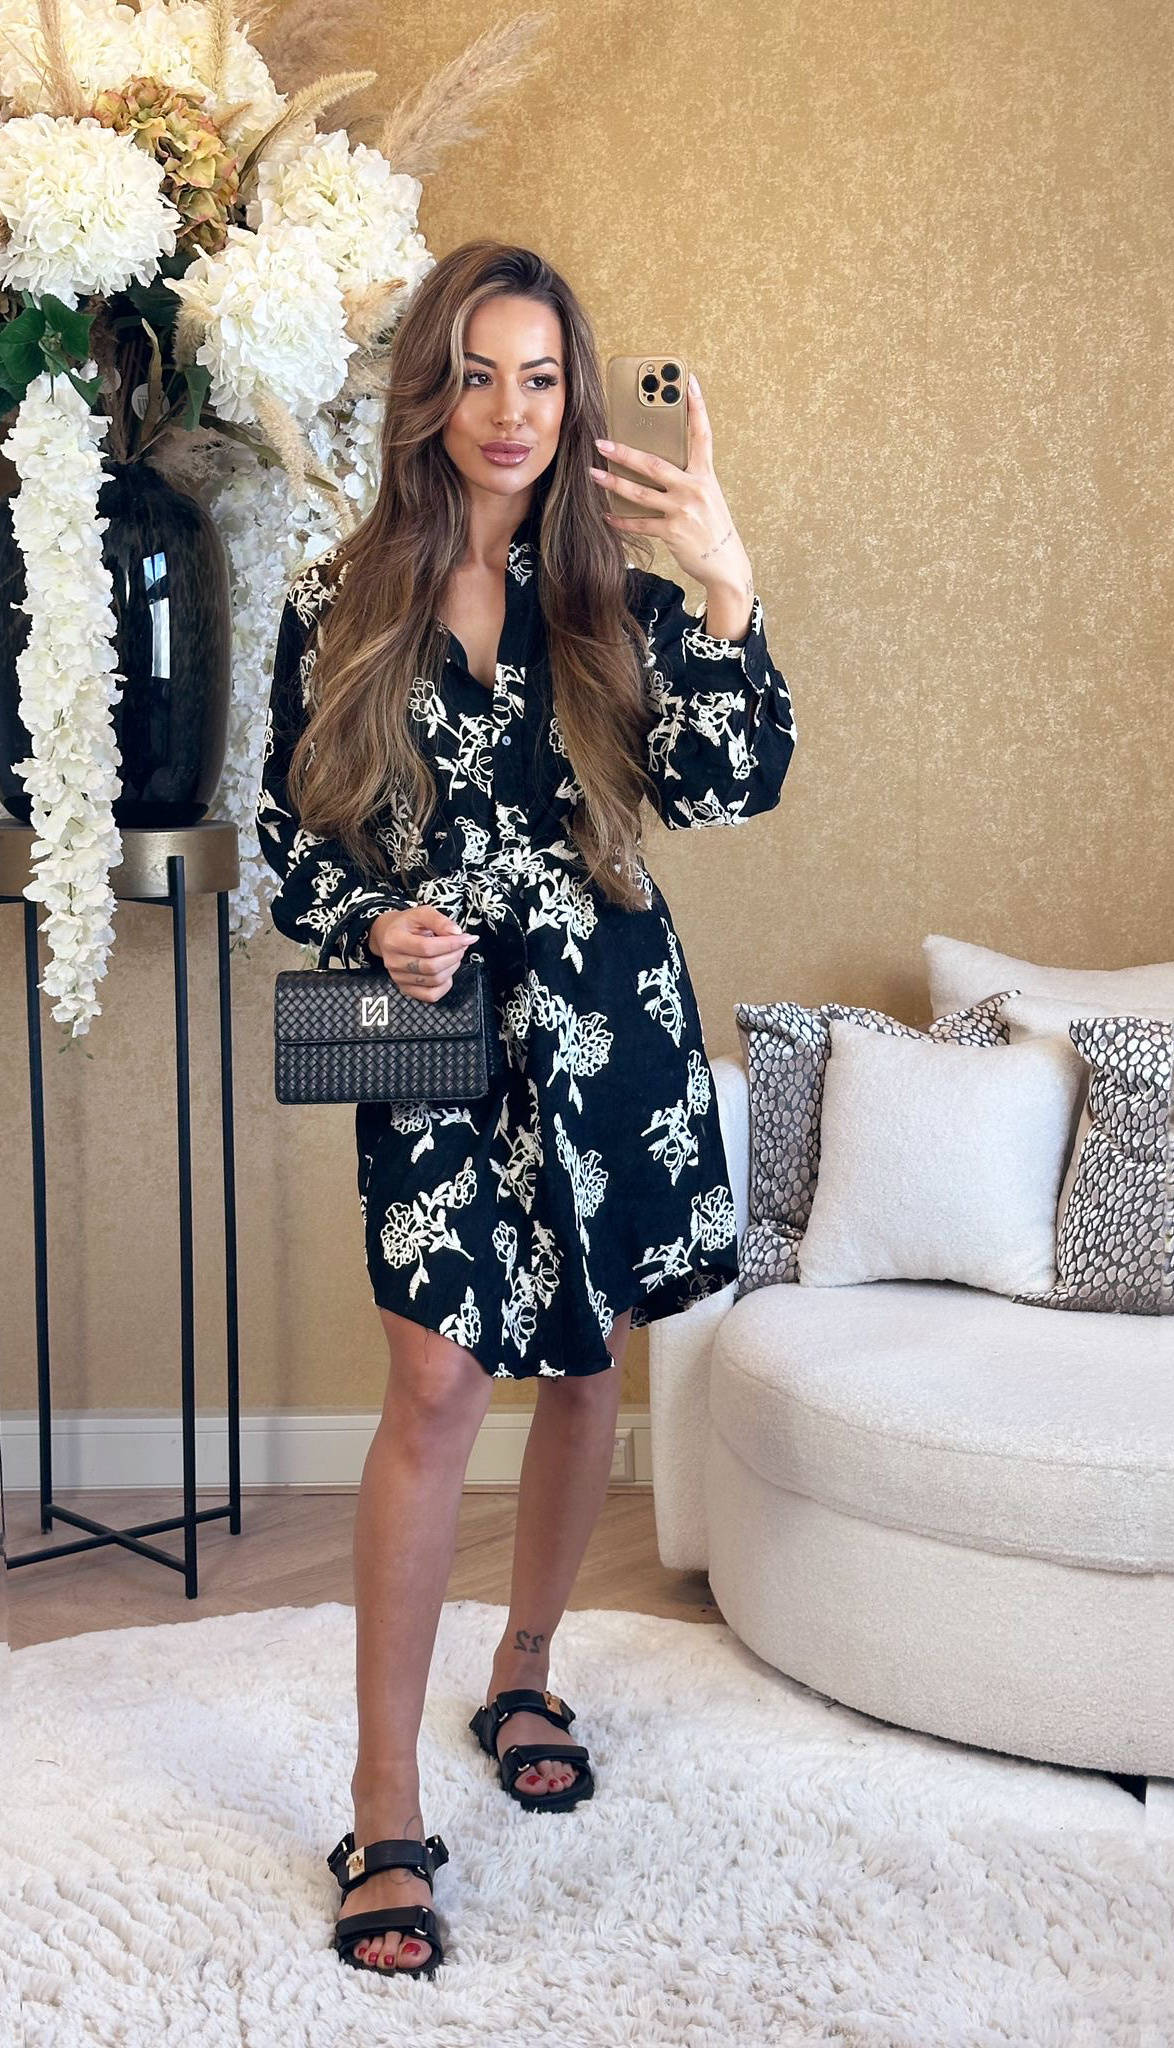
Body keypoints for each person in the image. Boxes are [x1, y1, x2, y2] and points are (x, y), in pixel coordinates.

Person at [256, 240, 798, 1979]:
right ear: (430, 391)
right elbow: (290, 843)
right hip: (431, 1030)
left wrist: (724, 581)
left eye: (542, 377)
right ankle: (382, 1802)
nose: (510, 411)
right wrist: (372, 923)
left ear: (574, 399)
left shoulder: (617, 602)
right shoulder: (333, 602)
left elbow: (729, 782)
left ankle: (528, 1668)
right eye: (477, 374)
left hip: (609, 1018)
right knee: (433, 1383)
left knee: (581, 1362)